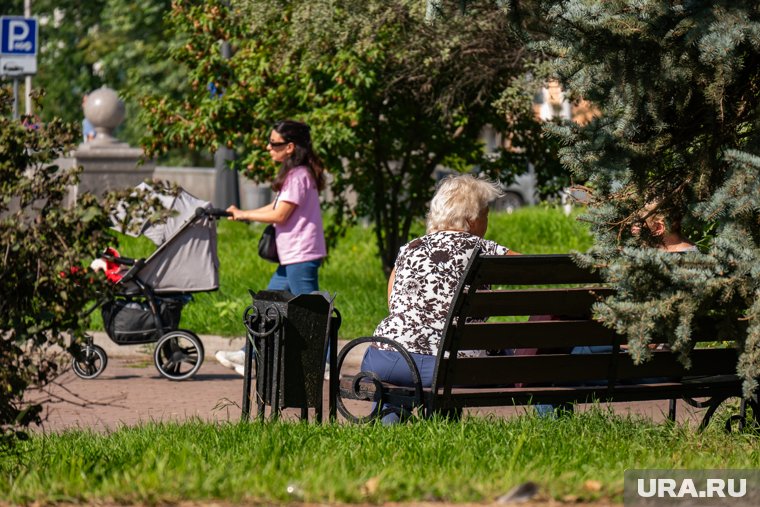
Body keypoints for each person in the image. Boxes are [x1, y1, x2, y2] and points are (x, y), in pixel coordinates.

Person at [360, 174, 519, 424]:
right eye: (486, 215)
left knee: (408, 379)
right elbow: (536, 269)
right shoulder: (483, 249)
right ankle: (443, 423)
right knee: (485, 354)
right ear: (472, 219)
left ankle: (391, 421)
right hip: (451, 368)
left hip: (387, 358)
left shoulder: (409, 249)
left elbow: (393, 303)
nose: (487, 223)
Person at [215, 120, 327, 375]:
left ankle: (325, 363)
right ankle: (248, 356)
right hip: (293, 256)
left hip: (301, 255)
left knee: (311, 313)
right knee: (267, 305)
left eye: (274, 143)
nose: (268, 148)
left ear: (289, 147)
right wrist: (242, 213)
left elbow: (280, 216)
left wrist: (245, 215)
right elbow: (275, 208)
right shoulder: (295, 175)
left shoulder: (299, 176)